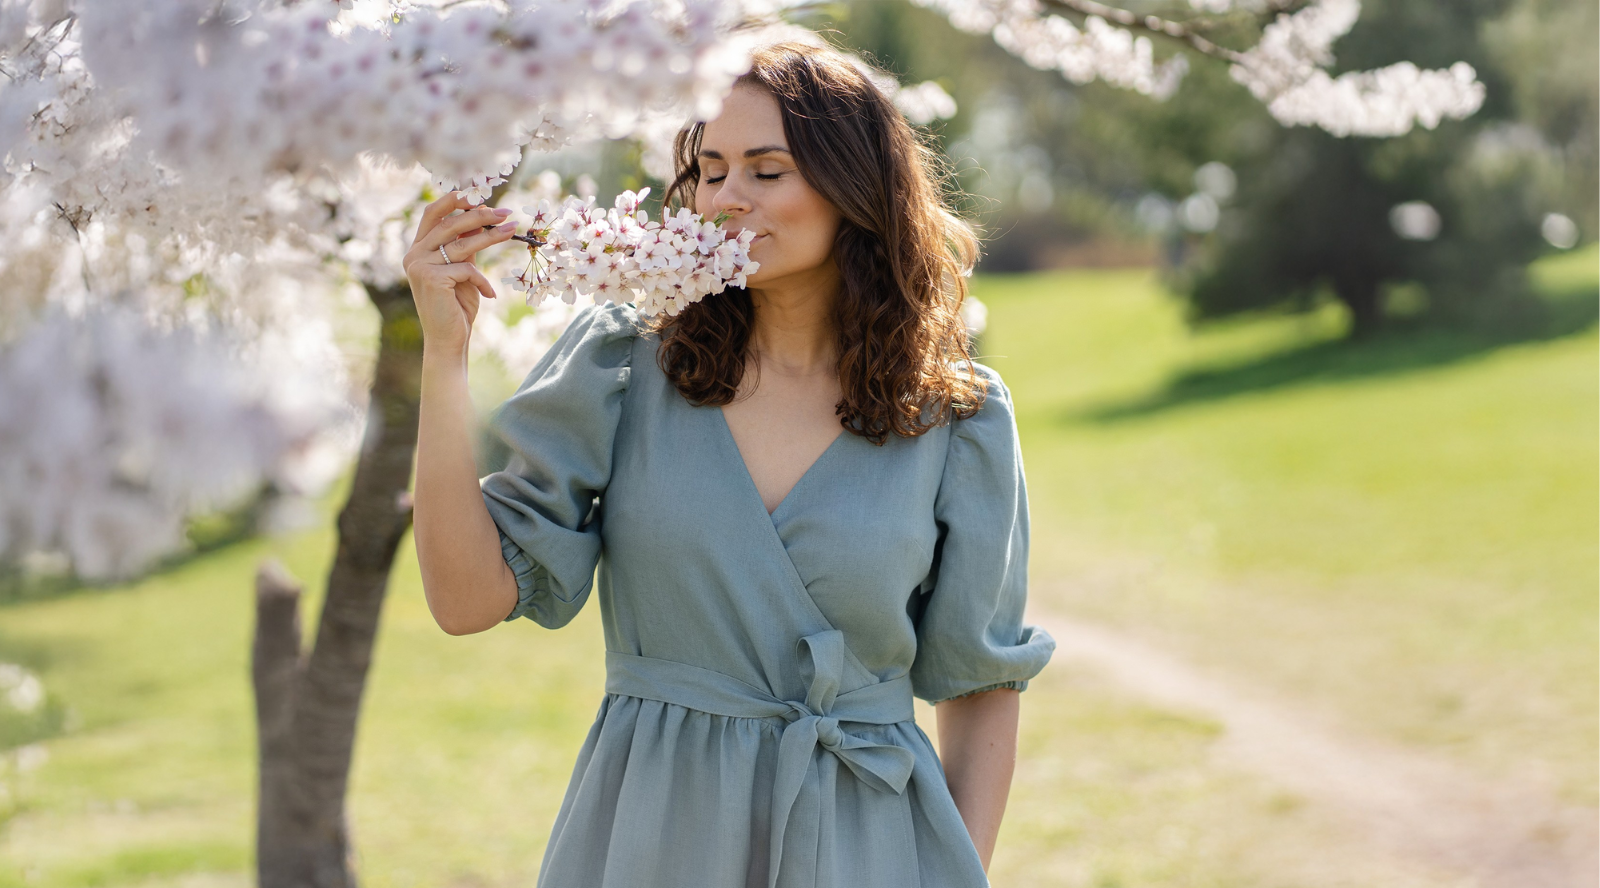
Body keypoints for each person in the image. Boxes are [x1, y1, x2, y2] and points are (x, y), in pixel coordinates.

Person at [405, 39, 1055, 888]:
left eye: (766, 170)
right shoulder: (624, 367)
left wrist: (954, 871)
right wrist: (444, 355)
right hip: (652, 839)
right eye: (710, 171)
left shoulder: (955, 417)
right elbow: (463, 602)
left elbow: (978, 688)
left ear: (855, 191)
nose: (727, 199)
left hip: (873, 845)